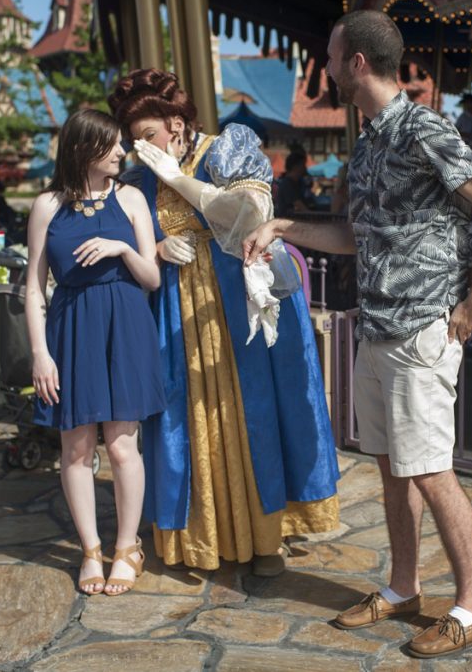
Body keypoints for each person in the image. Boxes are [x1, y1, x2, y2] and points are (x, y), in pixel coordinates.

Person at [243, 10, 472, 658]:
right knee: (395, 467)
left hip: (422, 328)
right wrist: (283, 228)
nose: (328, 70)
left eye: (333, 59)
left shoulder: (423, 127)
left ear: (358, 63)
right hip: (378, 327)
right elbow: (351, 237)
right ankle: (403, 588)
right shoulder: (366, 142)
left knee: (431, 470)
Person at [108, 69, 340, 577]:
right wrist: (155, 247)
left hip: (240, 298)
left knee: (250, 410)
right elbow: (118, 229)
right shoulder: (136, 176)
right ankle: (199, 538)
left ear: (174, 122)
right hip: (175, 305)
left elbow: (247, 212)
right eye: (132, 141)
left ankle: (264, 540)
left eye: (146, 135)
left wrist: (176, 177)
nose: (139, 149)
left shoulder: (227, 148)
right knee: (186, 415)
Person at [26, 108, 167, 596]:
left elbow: (152, 277)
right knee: (77, 446)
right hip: (70, 330)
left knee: (124, 444)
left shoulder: (130, 198)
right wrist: (40, 354)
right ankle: (90, 549)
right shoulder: (47, 205)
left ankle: (127, 548)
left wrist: (120, 249)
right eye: (113, 146)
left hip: (126, 325)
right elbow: (33, 288)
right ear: (85, 149)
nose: (123, 153)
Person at [275, 151, 315, 216]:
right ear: (295, 166)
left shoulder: (297, 183)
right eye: (303, 164)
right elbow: (301, 207)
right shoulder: (287, 184)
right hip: (287, 223)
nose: (305, 168)